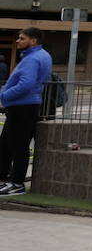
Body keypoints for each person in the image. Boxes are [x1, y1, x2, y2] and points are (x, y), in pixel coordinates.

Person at [0, 28, 53, 197]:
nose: (18, 41)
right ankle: (5, 179)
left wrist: (4, 95)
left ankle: (16, 184)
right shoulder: (41, 55)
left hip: (22, 107)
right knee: (6, 144)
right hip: (25, 106)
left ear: (33, 41)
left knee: (18, 146)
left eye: (22, 38)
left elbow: (26, 84)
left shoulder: (32, 58)